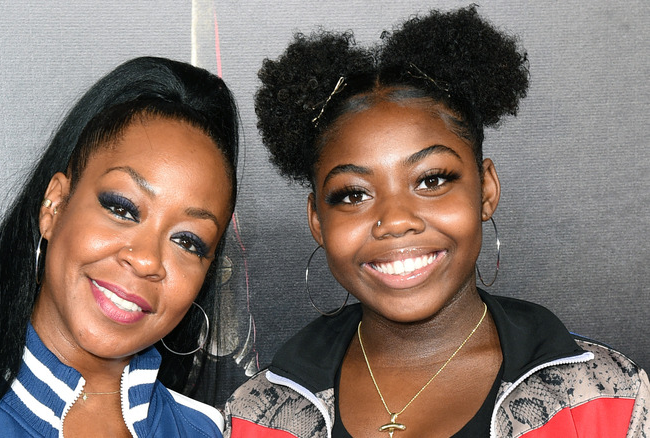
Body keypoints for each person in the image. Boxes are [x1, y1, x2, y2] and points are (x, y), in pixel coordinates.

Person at [224, 6, 648, 437]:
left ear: (485, 189)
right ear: (317, 220)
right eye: (354, 194)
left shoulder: (605, 398)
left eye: (430, 180)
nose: (395, 221)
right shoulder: (258, 415)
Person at [0, 56, 239, 437]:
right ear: (55, 205)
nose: (147, 258)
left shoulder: (202, 431)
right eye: (122, 208)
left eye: (188, 241)